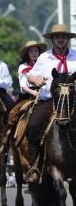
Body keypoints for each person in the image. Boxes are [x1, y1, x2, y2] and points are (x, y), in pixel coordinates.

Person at [26, 24, 76, 183]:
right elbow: (30, 75)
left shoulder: (75, 55)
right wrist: (36, 79)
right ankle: (34, 166)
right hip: (50, 100)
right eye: (57, 37)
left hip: (73, 101)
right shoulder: (44, 57)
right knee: (33, 125)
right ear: (53, 39)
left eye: (63, 37)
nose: (60, 39)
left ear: (67, 39)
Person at [0, 40, 47, 156]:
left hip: (44, 94)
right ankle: (5, 143)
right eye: (31, 51)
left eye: (36, 51)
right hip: (28, 95)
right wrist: (34, 94)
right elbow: (23, 86)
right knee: (13, 114)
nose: (34, 53)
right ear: (27, 54)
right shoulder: (23, 67)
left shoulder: (44, 65)